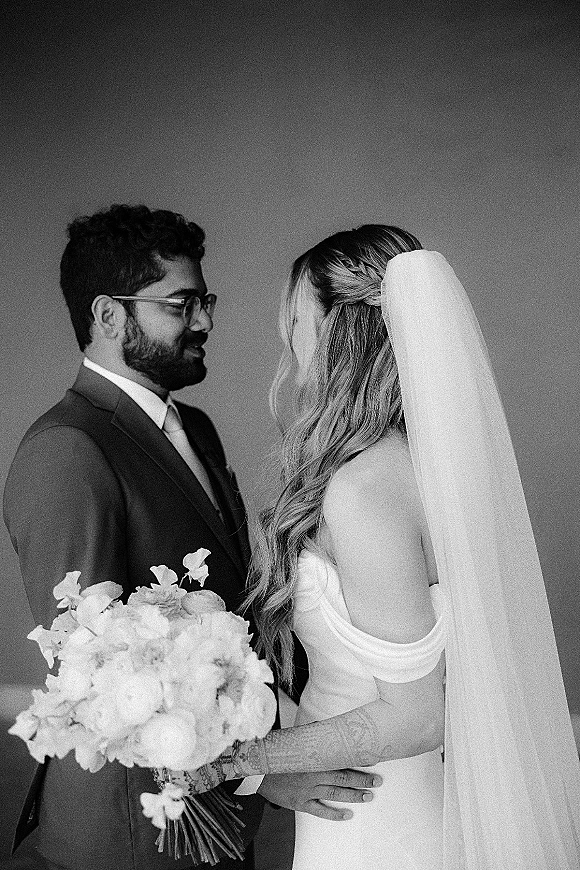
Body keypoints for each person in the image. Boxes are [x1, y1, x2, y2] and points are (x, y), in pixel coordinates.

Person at [185, 225, 580, 869]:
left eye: (299, 319)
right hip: (384, 797)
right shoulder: (429, 464)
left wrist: (235, 758)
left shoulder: (365, 489)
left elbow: (420, 714)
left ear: (345, 334)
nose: (290, 341)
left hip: (379, 818)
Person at [3, 205, 377, 870]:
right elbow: (93, 678)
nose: (204, 320)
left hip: (213, 814)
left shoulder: (194, 429)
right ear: (110, 316)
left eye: (204, 300)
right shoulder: (67, 449)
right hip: (132, 834)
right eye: (181, 304)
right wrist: (262, 772)